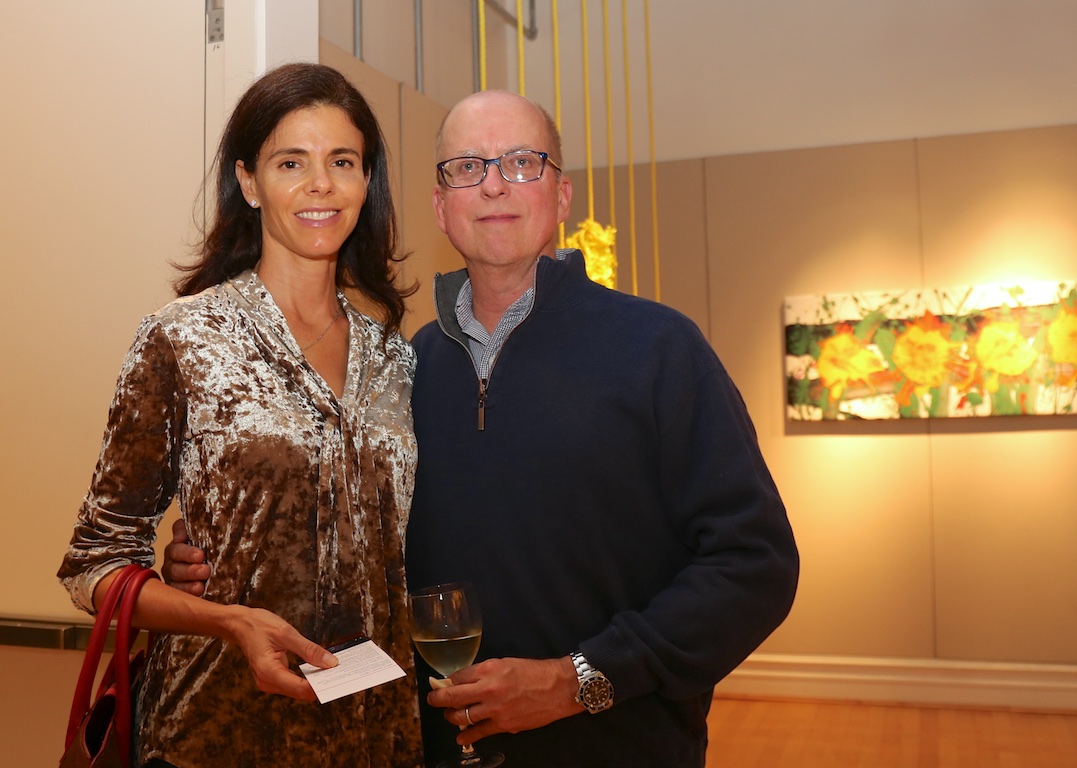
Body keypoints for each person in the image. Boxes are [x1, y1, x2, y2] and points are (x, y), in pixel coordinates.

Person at [168, 89, 799, 768]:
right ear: (442, 207)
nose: (494, 184)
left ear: (562, 195)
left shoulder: (660, 350)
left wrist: (579, 679)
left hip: (617, 747)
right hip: (438, 749)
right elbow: (355, 538)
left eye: (523, 162)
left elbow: (754, 565)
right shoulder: (403, 370)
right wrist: (226, 554)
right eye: (467, 167)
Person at [58, 62, 423, 768]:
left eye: (342, 161)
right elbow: (93, 562)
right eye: (292, 162)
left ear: (366, 182)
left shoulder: (396, 360)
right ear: (250, 182)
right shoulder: (183, 338)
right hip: (219, 729)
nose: (320, 184)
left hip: (374, 732)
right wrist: (226, 619)